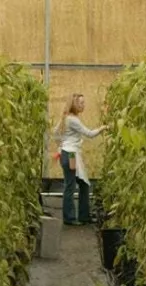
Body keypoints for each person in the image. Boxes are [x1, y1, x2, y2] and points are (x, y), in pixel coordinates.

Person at [52, 93, 108, 226]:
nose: (84, 105)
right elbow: (89, 134)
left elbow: (55, 133)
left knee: (82, 184)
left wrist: (61, 146)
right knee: (71, 186)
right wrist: (104, 128)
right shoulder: (73, 120)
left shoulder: (67, 117)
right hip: (71, 154)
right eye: (81, 103)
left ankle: (83, 216)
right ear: (75, 105)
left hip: (68, 153)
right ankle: (70, 218)